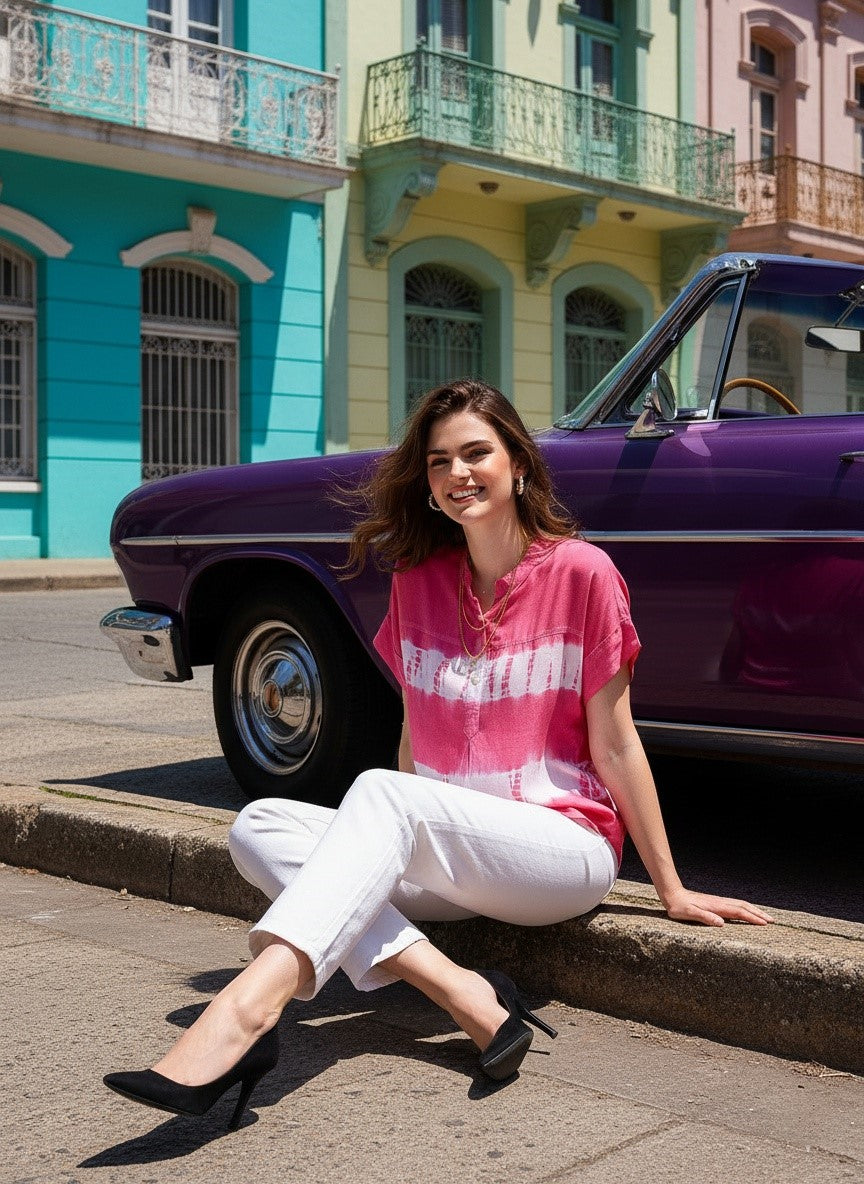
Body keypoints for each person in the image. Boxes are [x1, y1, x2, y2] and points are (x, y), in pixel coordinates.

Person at [104, 378, 772, 1129]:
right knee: (258, 823)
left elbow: (616, 742)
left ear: (519, 464)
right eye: (439, 461)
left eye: (477, 453)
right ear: (425, 483)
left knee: (383, 795)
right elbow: (414, 740)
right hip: (453, 853)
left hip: (559, 849)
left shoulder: (583, 573)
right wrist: (386, 838)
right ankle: (461, 990)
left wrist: (670, 888)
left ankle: (245, 1010)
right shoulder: (417, 582)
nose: (458, 474)